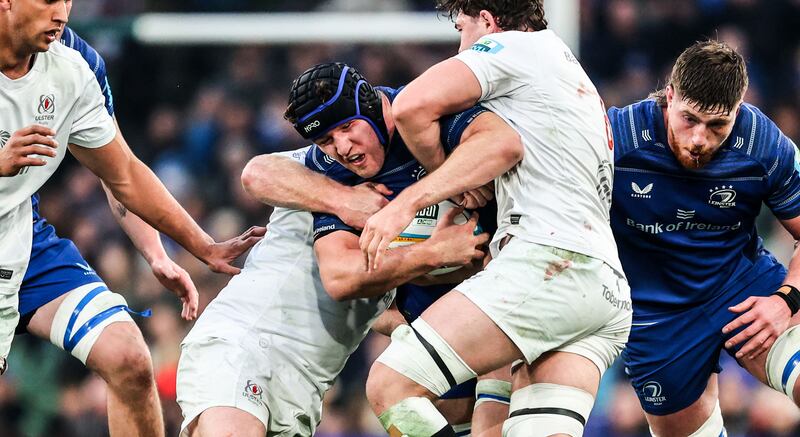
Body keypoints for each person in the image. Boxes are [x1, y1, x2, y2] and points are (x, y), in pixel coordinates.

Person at [176, 62, 499, 437]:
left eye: (347, 128)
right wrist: (344, 201)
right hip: (246, 348)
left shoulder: (427, 136)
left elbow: (371, 298)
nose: (342, 147)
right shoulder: (326, 173)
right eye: (327, 139)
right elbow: (256, 174)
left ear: (375, 107)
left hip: (304, 390)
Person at [357, 2, 632, 436]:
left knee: (391, 385)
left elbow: (411, 105)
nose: (460, 46)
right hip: (604, 290)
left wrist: (430, 184)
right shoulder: (567, 70)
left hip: (549, 263)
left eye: (463, 30)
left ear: (487, 20)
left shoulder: (510, 48)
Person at [0, 2, 263, 436]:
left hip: (25, 244)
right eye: (49, 0)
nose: (62, 12)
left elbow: (121, 172)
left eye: (68, 0)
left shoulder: (75, 65)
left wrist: (194, 247)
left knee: (129, 357)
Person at [608, 40, 800, 437]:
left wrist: (787, 300)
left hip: (741, 291)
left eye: (717, 125)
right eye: (689, 119)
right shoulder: (615, 138)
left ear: (739, 107)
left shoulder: (763, 145)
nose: (699, 139)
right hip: (657, 317)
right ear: (669, 95)